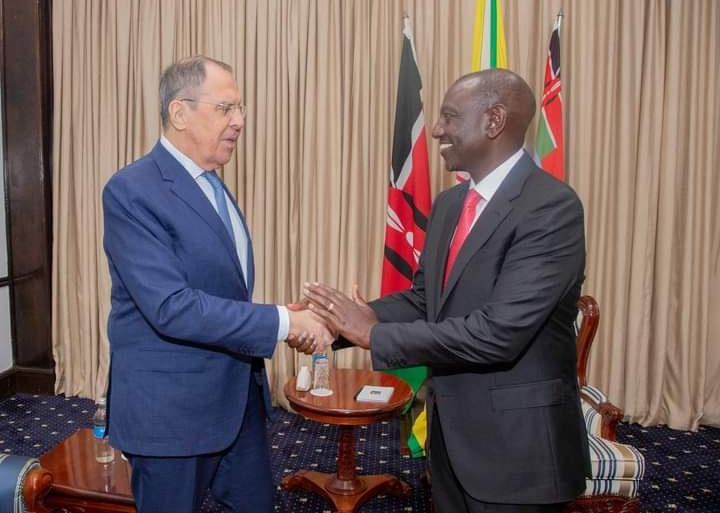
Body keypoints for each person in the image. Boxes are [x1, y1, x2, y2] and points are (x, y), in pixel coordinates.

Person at [304, 68, 590, 513]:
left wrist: (372, 335)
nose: (436, 129)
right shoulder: (450, 204)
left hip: (518, 455)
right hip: (451, 440)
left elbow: (498, 333)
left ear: (493, 121)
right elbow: (424, 301)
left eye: (450, 117)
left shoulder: (550, 207)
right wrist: (331, 323)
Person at [102, 55, 332, 513]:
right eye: (226, 108)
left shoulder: (211, 183)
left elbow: (217, 291)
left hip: (236, 406)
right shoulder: (132, 190)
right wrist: (283, 322)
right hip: (171, 416)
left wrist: (280, 316)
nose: (240, 121)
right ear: (180, 113)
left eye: (240, 109)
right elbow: (172, 307)